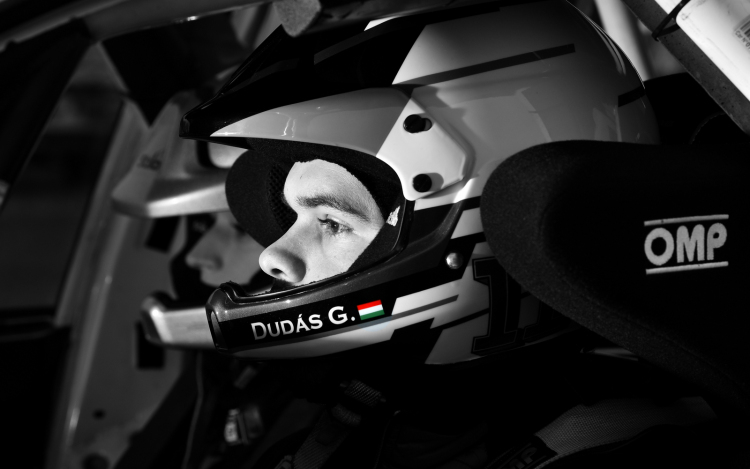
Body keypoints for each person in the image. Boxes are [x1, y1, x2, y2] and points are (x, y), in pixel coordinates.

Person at [181, 1, 721, 467]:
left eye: (330, 222)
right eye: (292, 217)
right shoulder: (354, 414)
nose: (272, 255)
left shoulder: (621, 450)